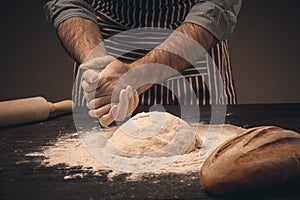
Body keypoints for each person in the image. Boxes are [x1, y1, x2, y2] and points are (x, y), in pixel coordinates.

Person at [44, 0, 242, 126]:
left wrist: (137, 74)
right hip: (102, 36)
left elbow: (216, 7)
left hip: (192, 37)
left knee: (208, 154)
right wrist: (98, 67)